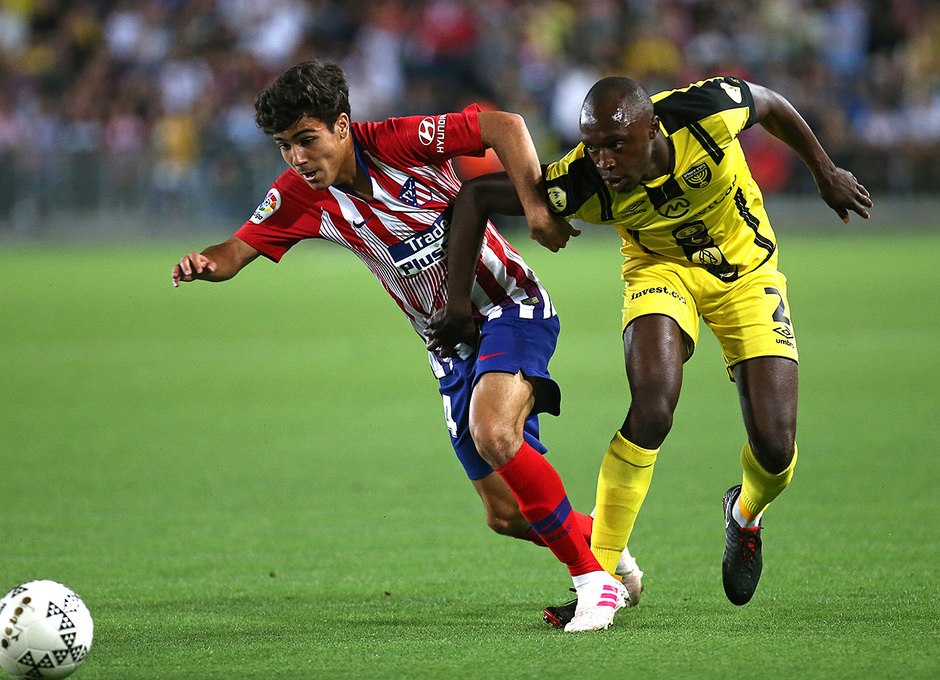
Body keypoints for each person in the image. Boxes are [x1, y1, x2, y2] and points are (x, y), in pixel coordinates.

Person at [170, 59, 642, 632]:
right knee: (505, 514)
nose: (297, 157)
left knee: (493, 431)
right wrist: (204, 264)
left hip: (509, 306)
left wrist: (536, 205)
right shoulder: (297, 195)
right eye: (284, 145)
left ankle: (594, 584)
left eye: (307, 140)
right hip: (447, 345)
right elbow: (236, 250)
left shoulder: (397, 141)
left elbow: (506, 126)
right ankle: (606, 548)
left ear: (342, 126)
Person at [427, 75, 873, 628]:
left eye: (617, 144)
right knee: (652, 408)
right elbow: (473, 198)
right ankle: (600, 577)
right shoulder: (583, 180)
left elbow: (775, 105)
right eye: (593, 145)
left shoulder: (706, 109)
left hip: (747, 274)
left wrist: (825, 171)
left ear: (653, 128)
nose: (605, 159)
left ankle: (744, 513)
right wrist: (453, 303)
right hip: (659, 274)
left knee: (777, 451)